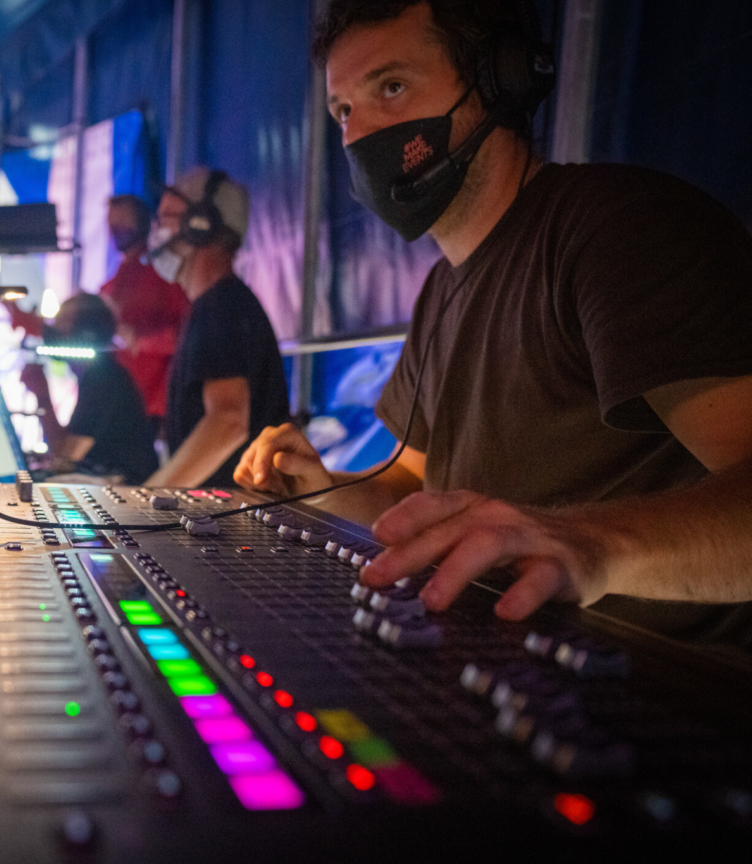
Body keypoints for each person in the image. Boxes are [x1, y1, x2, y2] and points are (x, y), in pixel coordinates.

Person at [233, 0, 752, 642]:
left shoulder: (621, 230)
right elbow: (410, 490)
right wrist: (321, 490)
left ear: (503, 80)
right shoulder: (442, 288)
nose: (358, 135)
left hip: (659, 708)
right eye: (342, 111)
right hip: (497, 669)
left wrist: (591, 543)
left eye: (391, 88)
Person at [146, 168, 290, 489]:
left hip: (228, 523)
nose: (157, 229)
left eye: (167, 217)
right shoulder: (221, 304)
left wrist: (147, 499)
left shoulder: (221, 307)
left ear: (200, 225)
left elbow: (228, 421)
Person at [20, 293, 158, 485]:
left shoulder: (103, 379)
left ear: (85, 334)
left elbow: (65, 456)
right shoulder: (100, 374)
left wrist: (42, 394)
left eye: (62, 324)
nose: (52, 332)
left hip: (126, 487)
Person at [99, 194, 190, 435]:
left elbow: (185, 335)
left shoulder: (164, 274)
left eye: (121, 223)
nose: (114, 231)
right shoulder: (114, 282)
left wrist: (139, 339)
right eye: (111, 224)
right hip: (118, 403)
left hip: (153, 410)